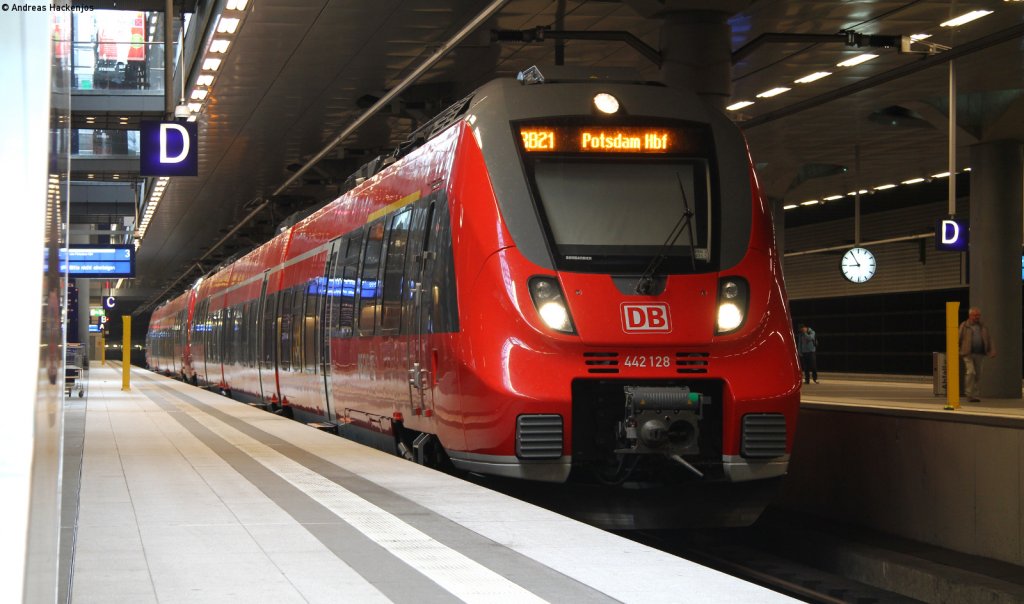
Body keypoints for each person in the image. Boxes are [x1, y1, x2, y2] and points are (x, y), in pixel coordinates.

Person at [959, 307, 995, 402]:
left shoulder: (982, 326)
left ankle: (973, 395)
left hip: (980, 353)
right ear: (970, 315)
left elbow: (988, 338)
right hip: (967, 353)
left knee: (977, 374)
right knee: (971, 372)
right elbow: (958, 338)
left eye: (978, 315)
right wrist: (957, 350)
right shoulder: (964, 325)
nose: (977, 317)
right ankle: (969, 394)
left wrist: (991, 350)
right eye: (975, 315)